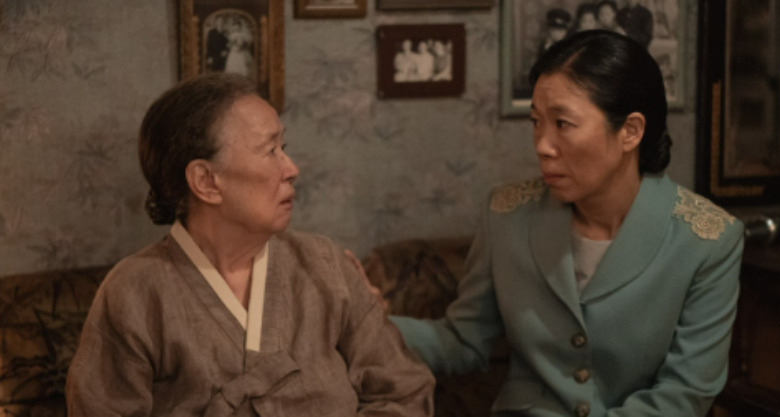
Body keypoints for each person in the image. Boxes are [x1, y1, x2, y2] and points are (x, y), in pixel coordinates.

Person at [377, 30, 744, 416]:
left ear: (630, 131)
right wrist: (360, 316)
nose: (542, 145)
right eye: (536, 122)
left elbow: (683, 395)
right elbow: (463, 341)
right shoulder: (507, 215)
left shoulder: (707, 240)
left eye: (563, 123)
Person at [66, 73, 435, 416]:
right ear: (206, 181)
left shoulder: (325, 264)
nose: (291, 169)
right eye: (270, 151)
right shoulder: (133, 293)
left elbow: (405, 390)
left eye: (283, 147)